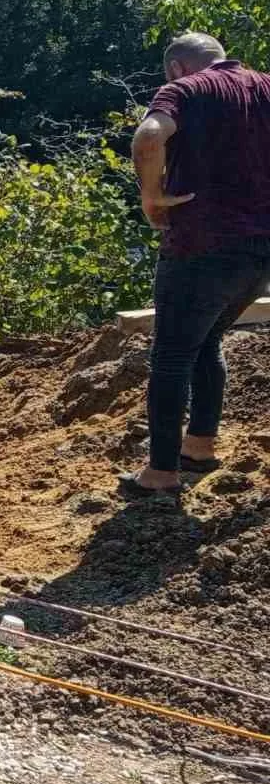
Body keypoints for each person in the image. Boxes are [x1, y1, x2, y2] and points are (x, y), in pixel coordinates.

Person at [119, 32, 270, 498]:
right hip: (261, 247)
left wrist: (152, 196)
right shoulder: (265, 85)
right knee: (207, 341)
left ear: (176, 68)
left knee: (171, 354)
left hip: (200, 245)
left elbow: (148, 138)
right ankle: (200, 445)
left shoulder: (185, 90)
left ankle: (161, 473)